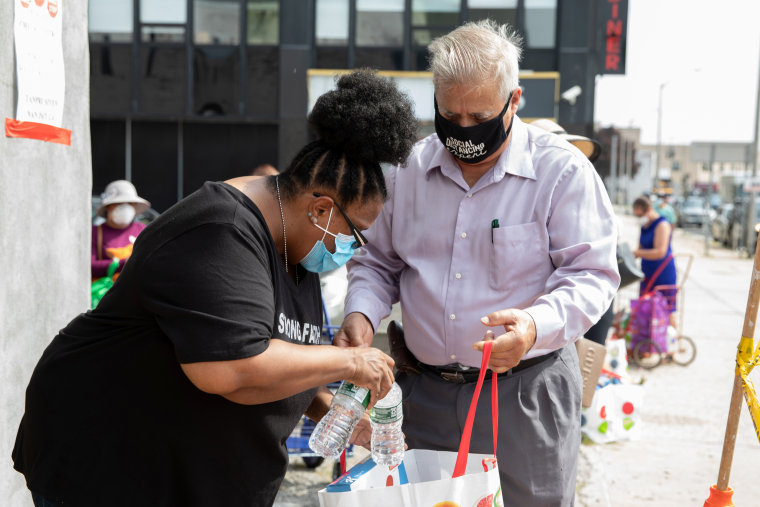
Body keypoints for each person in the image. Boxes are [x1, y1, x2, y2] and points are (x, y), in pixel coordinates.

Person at [13, 70, 418, 507]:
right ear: (321, 208)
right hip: (113, 471)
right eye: (355, 235)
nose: (353, 250)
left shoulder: (297, 246)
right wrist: (349, 360)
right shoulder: (219, 229)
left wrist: (330, 409)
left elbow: (280, 360)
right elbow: (230, 368)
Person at [335, 21, 619, 506]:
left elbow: (590, 275)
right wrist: (360, 313)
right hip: (424, 393)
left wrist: (533, 325)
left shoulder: (561, 171)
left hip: (526, 393)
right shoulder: (406, 172)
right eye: (451, 114)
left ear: (514, 100)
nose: (464, 131)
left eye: (479, 115)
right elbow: (377, 262)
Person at [529, 119, 613, 346]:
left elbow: (593, 266)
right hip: (542, 327)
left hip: (581, 306)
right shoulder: (525, 195)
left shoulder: (582, 185)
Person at [91, 180, 150, 279]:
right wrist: (124, 263)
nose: (126, 207)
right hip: (108, 292)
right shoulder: (95, 232)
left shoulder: (141, 229)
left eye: (130, 203)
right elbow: (91, 266)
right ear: (108, 207)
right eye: (119, 203)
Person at [632, 195, 677, 323]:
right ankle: (648, 341)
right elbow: (640, 248)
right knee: (645, 309)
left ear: (649, 210)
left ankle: (674, 340)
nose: (639, 219)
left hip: (662, 272)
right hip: (647, 272)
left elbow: (660, 252)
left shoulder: (662, 224)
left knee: (666, 311)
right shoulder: (644, 226)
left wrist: (638, 253)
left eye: (640, 216)